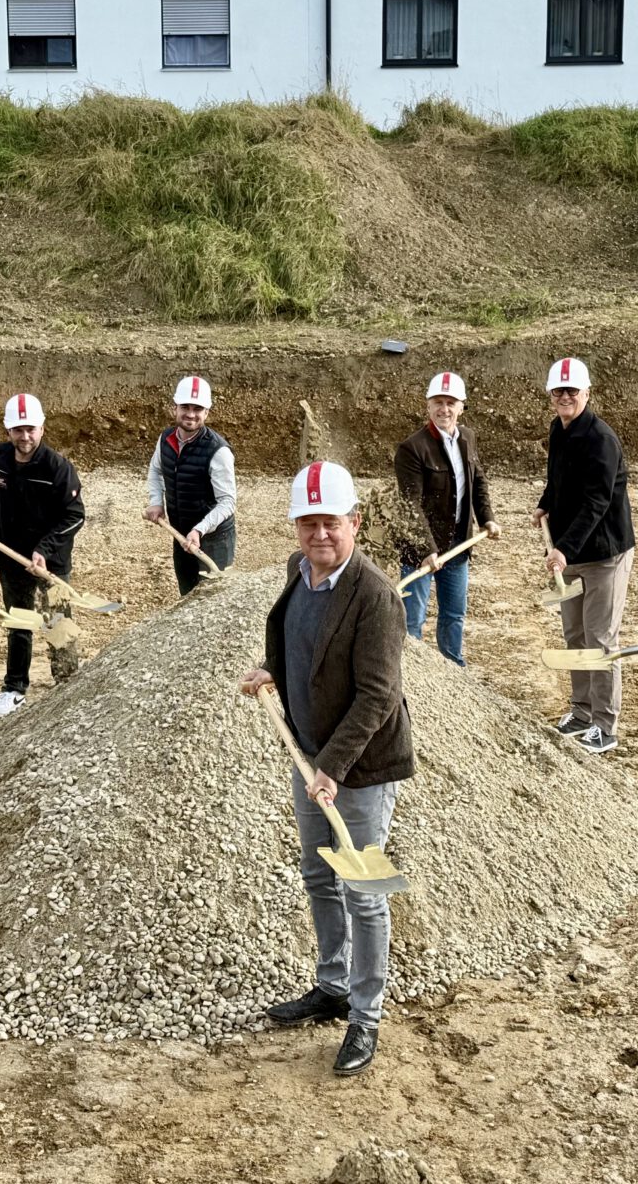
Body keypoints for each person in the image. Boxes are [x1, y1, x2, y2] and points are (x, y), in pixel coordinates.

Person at [241, 461, 413, 1078]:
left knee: (364, 891)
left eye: (331, 523)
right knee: (319, 874)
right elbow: (296, 640)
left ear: (355, 523)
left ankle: (366, 1016)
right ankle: (333, 985)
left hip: (359, 768)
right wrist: (271, 669)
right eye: (308, 523)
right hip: (308, 753)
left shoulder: (374, 596)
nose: (319, 535)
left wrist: (333, 767)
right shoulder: (299, 570)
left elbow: (378, 696)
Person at [533, 356, 635, 756]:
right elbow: (558, 480)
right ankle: (581, 711)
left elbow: (596, 502)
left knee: (600, 638)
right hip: (572, 553)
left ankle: (604, 725)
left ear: (587, 393)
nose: (564, 397)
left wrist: (563, 549)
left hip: (605, 555)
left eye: (571, 391)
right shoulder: (558, 430)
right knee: (575, 635)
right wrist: (546, 503)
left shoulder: (601, 440)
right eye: (558, 391)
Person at [0, 392, 86, 720]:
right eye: (18, 430)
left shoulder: (58, 468)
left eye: (30, 429)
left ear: (42, 429)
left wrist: (44, 550)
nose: (25, 437)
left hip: (52, 562)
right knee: (19, 621)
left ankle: (66, 684)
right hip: (11, 557)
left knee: (57, 621)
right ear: (8, 430)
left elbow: (75, 515)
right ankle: (15, 688)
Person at [394, 370, 500, 665]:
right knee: (413, 619)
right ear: (428, 406)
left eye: (450, 403)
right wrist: (426, 549)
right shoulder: (412, 448)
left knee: (454, 614)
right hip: (419, 547)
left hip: (458, 543)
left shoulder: (468, 438)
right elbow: (410, 504)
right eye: (438, 402)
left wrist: (487, 518)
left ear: (461, 407)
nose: (444, 409)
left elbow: (478, 481)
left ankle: (454, 671)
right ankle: (411, 673)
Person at [143, 375, 236, 596]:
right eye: (185, 407)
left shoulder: (218, 451)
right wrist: (156, 502)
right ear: (174, 408)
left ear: (207, 413)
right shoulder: (165, 439)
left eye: (198, 408)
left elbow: (227, 502)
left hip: (214, 540)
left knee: (212, 599)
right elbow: (156, 470)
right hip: (181, 534)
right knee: (187, 596)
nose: (191, 414)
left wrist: (199, 530)